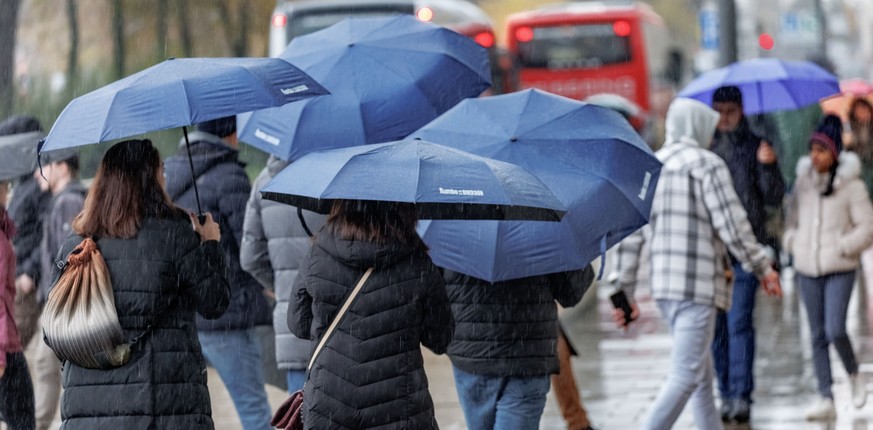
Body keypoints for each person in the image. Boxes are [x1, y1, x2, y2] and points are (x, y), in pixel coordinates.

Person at [613, 98, 781, 430]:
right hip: (697, 287)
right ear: (696, 127)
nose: (711, 136)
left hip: (665, 290)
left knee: (702, 378)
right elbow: (733, 226)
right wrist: (762, 267)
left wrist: (622, 291)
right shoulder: (706, 164)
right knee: (686, 376)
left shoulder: (650, 167)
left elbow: (631, 235)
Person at [53, 139, 229, 428]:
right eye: (161, 171)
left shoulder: (77, 245)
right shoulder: (173, 236)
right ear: (150, 179)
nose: (164, 179)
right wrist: (209, 244)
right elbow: (215, 302)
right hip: (164, 405)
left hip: (88, 412)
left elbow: (55, 331)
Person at [288, 199, 453, 429]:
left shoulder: (318, 254)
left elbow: (298, 324)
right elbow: (440, 339)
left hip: (329, 405)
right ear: (405, 209)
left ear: (340, 205)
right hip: (400, 408)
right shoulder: (418, 264)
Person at [164, 116, 273, 430]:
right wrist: (267, 284)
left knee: (190, 414)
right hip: (228, 312)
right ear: (232, 134)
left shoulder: (170, 175)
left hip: (186, 313)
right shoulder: (231, 176)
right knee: (254, 412)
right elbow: (249, 244)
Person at [783, 115, 873, 421]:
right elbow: (791, 221)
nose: (815, 156)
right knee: (817, 334)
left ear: (834, 153)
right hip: (807, 268)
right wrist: (792, 243)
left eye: (821, 150)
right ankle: (826, 396)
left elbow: (867, 228)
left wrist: (843, 247)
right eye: (812, 150)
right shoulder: (803, 183)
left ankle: (853, 372)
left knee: (836, 328)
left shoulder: (853, 186)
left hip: (840, 267)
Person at [709, 85, 786, 423]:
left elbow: (773, 198)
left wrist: (768, 166)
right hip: (712, 254)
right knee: (717, 329)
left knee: (739, 322)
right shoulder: (706, 149)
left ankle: (741, 394)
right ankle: (725, 391)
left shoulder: (756, 145)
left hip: (745, 251)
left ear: (741, 111)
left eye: (731, 111)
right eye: (719, 111)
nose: (725, 118)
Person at [444, 266, 594, 430]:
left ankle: (577, 420)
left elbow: (429, 289)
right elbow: (571, 292)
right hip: (528, 353)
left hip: (472, 356)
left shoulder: (449, 241)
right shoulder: (541, 239)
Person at [240, 155, 326, 394]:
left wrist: (284, 288)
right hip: (342, 319)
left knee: (299, 413)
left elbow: (250, 257)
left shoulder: (264, 182)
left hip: (294, 320)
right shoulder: (337, 174)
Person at [34, 147, 87, 430]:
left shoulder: (69, 202)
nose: (39, 172)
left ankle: (37, 425)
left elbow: (70, 256)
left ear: (63, 167)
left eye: (47, 164)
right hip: (60, 300)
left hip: (63, 302)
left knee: (48, 367)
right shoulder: (63, 200)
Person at [0, 115, 50, 350]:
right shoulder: (23, 184)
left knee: (11, 350)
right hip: (15, 279)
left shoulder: (40, 185)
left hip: (25, 285)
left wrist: (30, 271)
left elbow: (47, 235)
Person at [0, 178, 36, 429]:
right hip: (5, 345)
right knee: (22, 420)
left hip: (7, 340)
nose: (8, 190)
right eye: (4, 185)